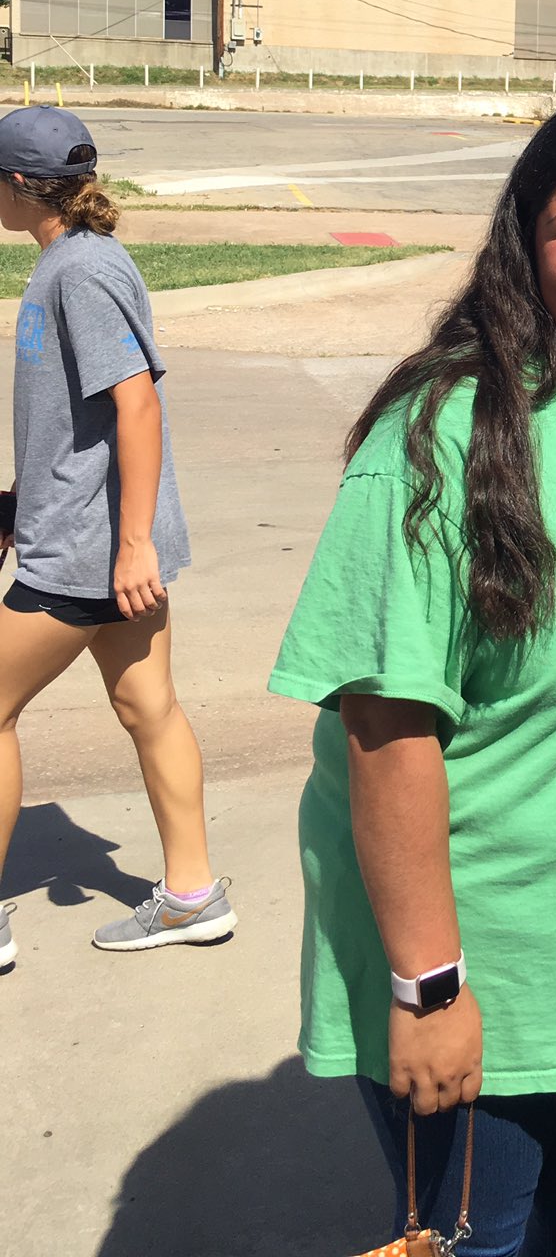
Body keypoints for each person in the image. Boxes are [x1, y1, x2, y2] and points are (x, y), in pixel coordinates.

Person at [269, 94, 556, 1257]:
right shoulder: (441, 431)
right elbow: (387, 731)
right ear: (526, 239)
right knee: (489, 1241)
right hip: (487, 970)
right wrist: (431, 986)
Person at [0, 106, 234, 969]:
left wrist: (131, 543)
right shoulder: (69, 263)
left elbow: (136, 402)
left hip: (90, 552)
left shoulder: (81, 272)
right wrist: (16, 504)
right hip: (84, 533)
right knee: (147, 705)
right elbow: (79, 421)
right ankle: (191, 894)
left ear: (22, 187)